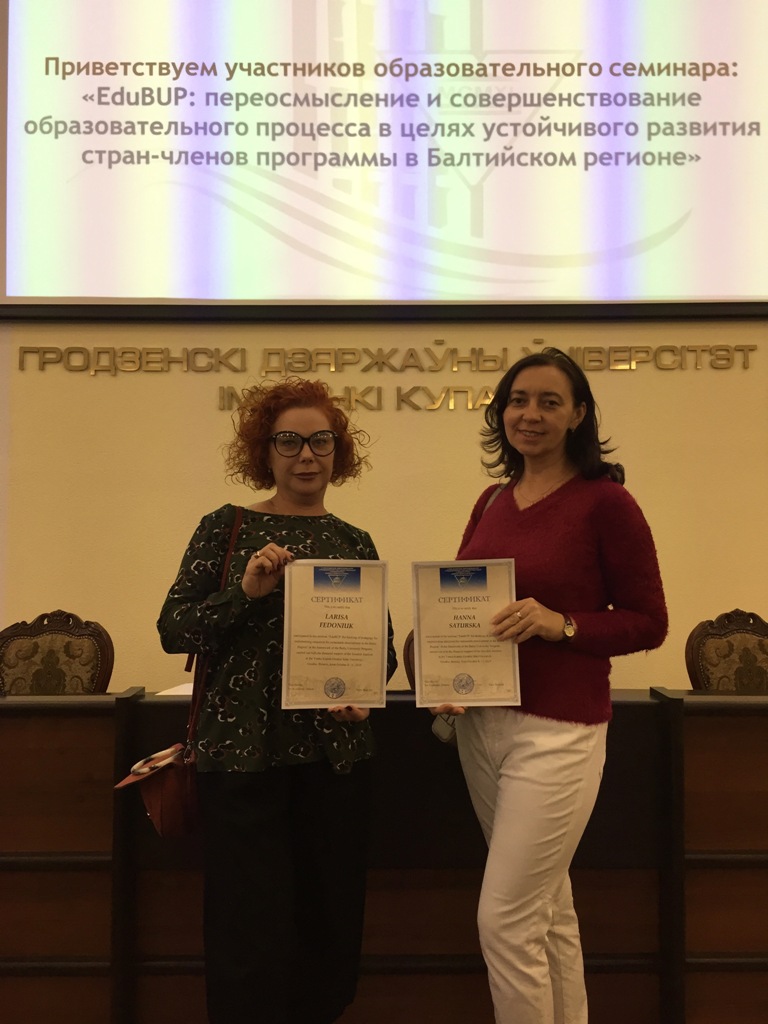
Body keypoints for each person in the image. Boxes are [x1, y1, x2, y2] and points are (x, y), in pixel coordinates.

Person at [435, 347, 667, 1024]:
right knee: (547, 911)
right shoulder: (491, 501)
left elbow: (649, 621)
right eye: (517, 400)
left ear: (578, 414)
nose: (529, 414)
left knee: (505, 920)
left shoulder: (607, 503)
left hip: (557, 732)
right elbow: (465, 602)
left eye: (548, 401)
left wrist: (561, 624)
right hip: (481, 726)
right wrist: (440, 664)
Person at [157, 377, 397, 1024]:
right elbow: (175, 629)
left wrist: (365, 694)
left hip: (333, 761)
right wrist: (246, 592)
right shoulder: (226, 528)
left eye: (321, 441)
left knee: (328, 929)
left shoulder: (354, 540)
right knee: (247, 934)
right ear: (264, 451)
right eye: (288, 441)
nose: (306, 455)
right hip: (243, 762)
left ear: (339, 451)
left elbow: (380, 652)